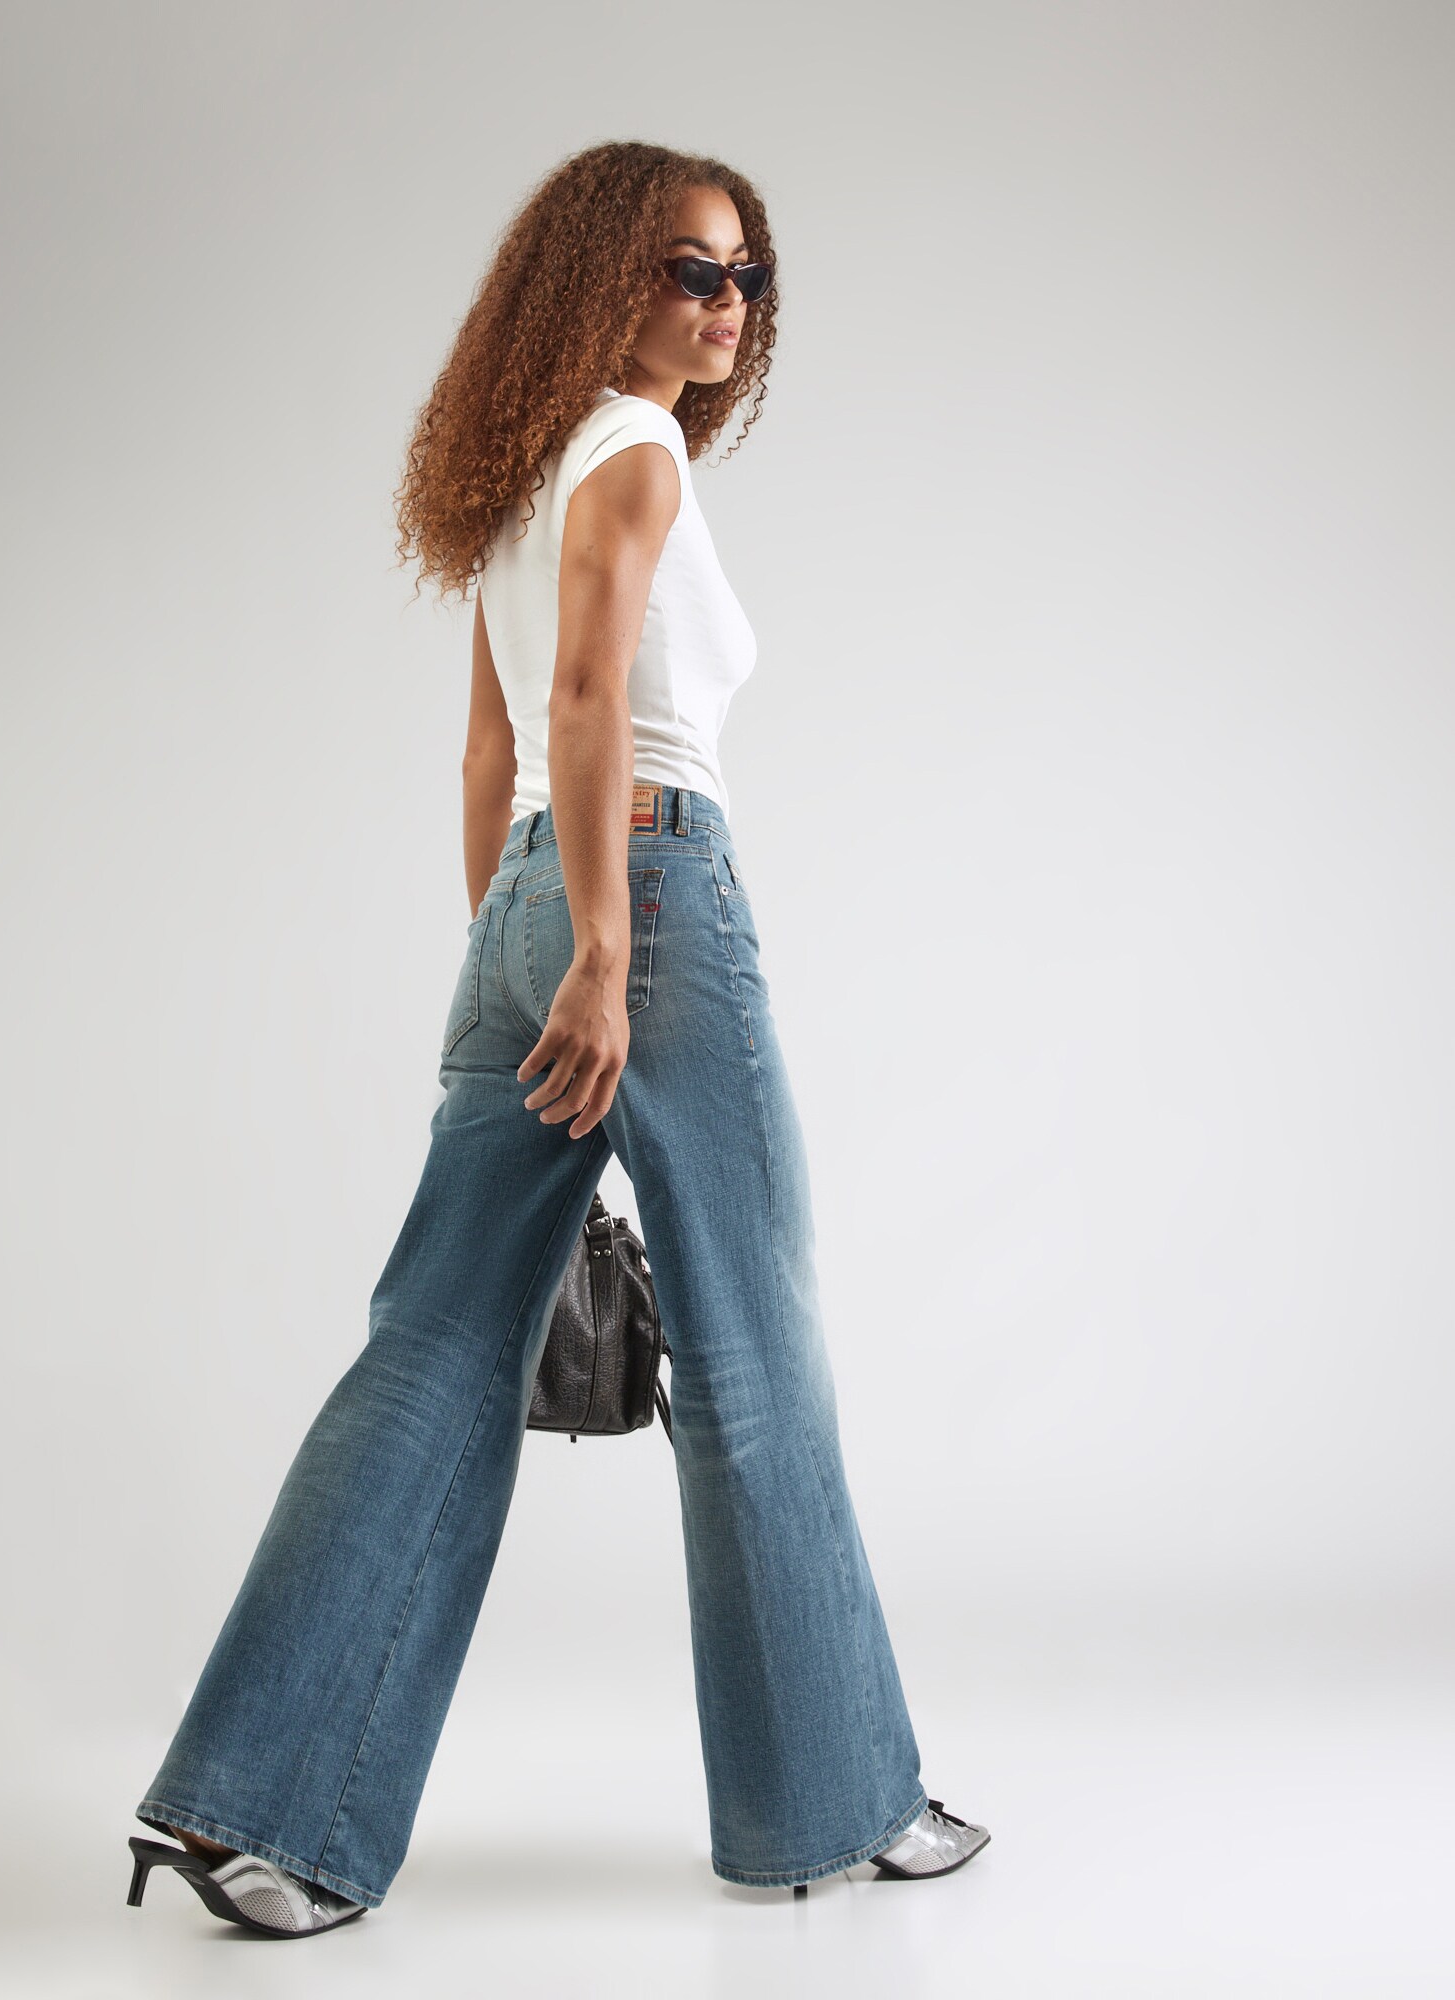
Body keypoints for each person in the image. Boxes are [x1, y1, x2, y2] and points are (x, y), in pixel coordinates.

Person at [124, 140, 990, 1939]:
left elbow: (489, 754)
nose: (726, 306)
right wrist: (602, 951)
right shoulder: (635, 453)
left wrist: (518, 949)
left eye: (745, 277)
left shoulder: (521, 473)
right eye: (689, 269)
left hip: (530, 895)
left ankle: (254, 1809)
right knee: (753, 1343)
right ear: (605, 278)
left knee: (434, 1346)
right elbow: (588, 701)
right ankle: (833, 1804)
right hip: (645, 893)